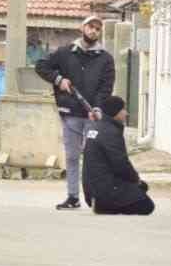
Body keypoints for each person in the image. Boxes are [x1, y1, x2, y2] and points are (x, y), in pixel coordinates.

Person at [34, 15, 115, 211]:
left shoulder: (105, 58)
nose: (93, 31)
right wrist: (58, 79)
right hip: (70, 113)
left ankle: (96, 197)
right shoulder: (65, 53)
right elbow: (41, 66)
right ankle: (73, 197)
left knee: (93, 158)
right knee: (71, 156)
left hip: (91, 115)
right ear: (82, 28)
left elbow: (106, 87)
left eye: (97, 28)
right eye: (90, 27)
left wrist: (97, 107)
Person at [82, 96, 154, 216]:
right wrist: (136, 180)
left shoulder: (97, 127)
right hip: (105, 190)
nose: (126, 113)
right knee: (146, 205)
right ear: (115, 113)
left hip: (92, 190)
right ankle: (106, 207)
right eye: (123, 110)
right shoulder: (110, 132)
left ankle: (103, 204)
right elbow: (121, 164)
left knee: (139, 190)